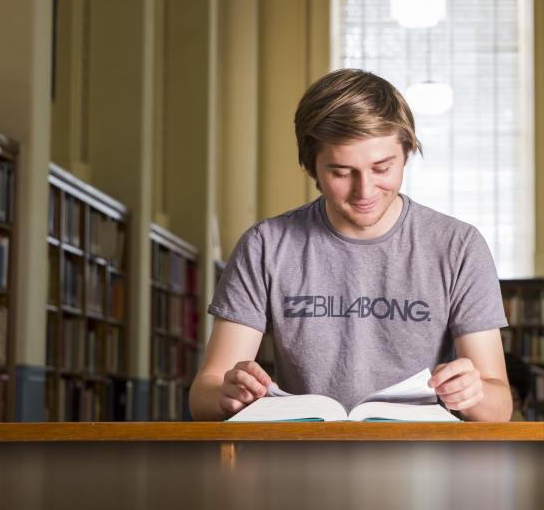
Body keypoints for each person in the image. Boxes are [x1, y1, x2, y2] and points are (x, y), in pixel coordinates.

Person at [189, 68, 513, 422]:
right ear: (311, 166)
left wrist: (472, 392)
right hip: (306, 459)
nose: (365, 191)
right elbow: (204, 394)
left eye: (382, 167)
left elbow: (499, 408)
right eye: (342, 172)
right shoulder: (266, 245)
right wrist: (227, 394)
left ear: (406, 152)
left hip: (422, 460)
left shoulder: (459, 246)